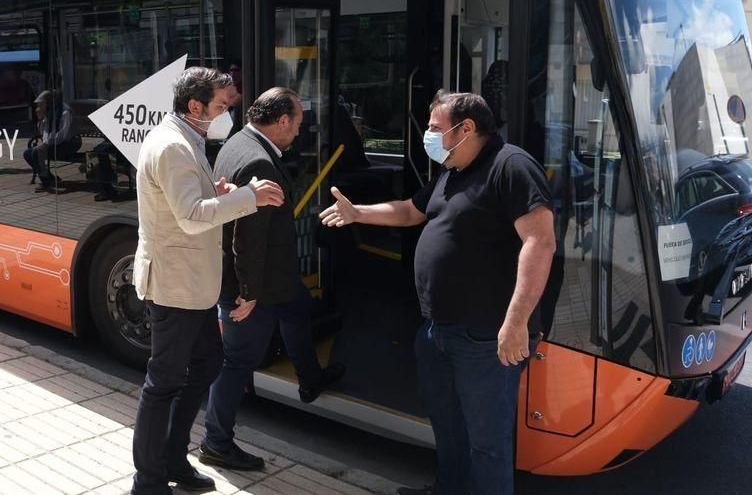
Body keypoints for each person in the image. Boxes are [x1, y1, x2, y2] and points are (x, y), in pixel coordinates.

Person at [320, 91, 555, 495]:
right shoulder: (453, 169)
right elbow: (411, 211)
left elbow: (540, 243)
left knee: (488, 444)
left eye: (433, 128)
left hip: (485, 337)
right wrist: (359, 213)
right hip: (437, 330)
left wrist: (515, 323)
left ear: (466, 129)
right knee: (448, 428)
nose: (427, 135)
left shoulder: (511, 167)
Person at [130, 67, 285, 495]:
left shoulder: (185, 139)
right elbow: (192, 216)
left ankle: (174, 460)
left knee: (206, 364)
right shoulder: (173, 146)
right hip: (175, 286)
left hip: (193, 286)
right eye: (219, 106)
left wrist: (220, 193)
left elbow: (191, 203)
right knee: (163, 382)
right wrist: (247, 198)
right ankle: (148, 480)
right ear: (194, 106)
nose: (224, 114)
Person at [200, 88, 347, 472]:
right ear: (282, 121)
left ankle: (309, 378)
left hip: (276, 279)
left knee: (297, 308)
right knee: (236, 363)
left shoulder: (236, 143)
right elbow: (248, 239)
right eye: (297, 124)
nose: (299, 132)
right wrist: (247, 294)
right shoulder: (260, 163)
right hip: (255, 287)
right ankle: (215, 442)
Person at [23, 89, 81, 190]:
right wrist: (40, 119)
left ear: (48, 103)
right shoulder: (49, 113)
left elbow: (63, 135)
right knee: (27, 153)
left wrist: (46, 144)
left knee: (36, 152)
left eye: (42, 104)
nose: (39, 107)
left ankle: (46, 182)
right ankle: (49, 177)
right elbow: (44, 133)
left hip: (69, 143)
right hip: (55, 143)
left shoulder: (64, 112)